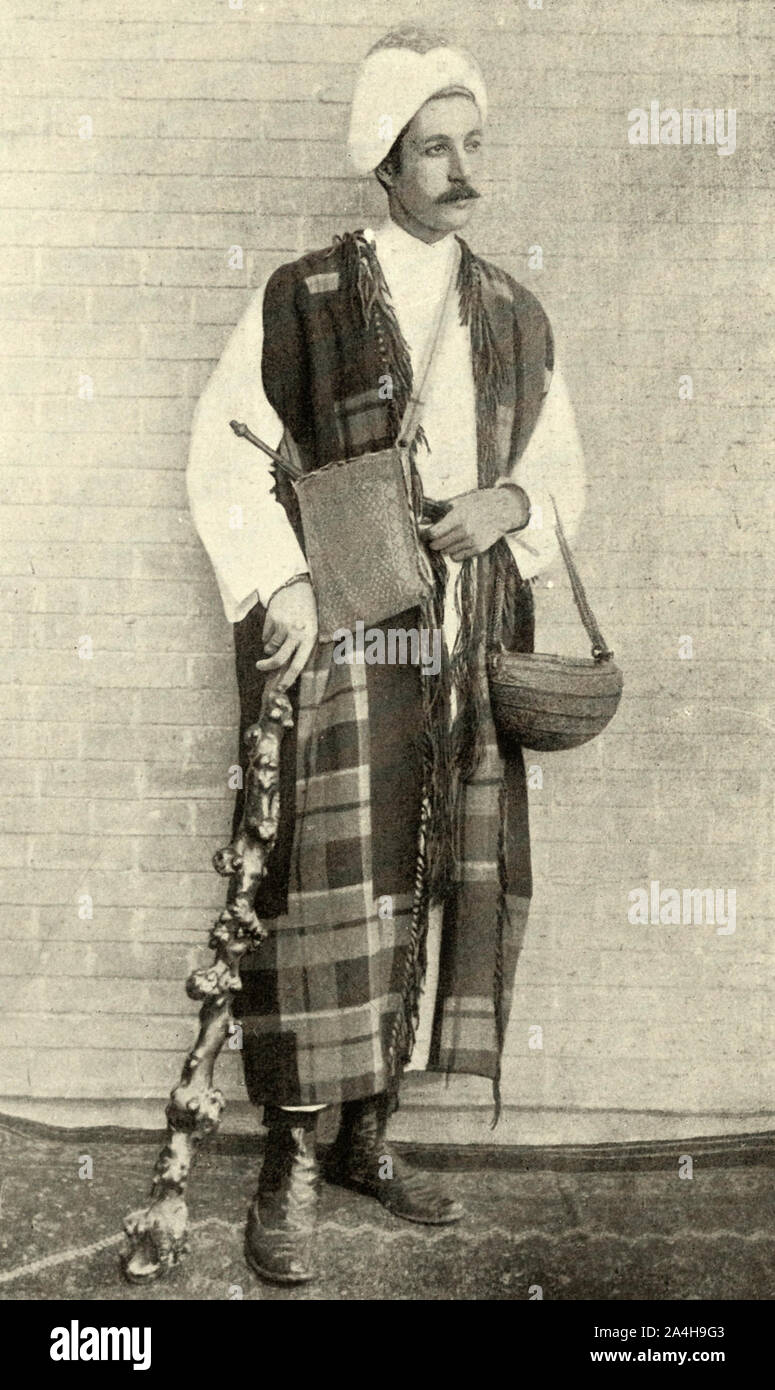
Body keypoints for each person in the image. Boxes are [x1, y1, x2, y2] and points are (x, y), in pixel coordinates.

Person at [187, 24, 585, 1285]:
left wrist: (507, 510)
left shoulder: (515, 311)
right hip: (352, 633)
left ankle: (370, 1136)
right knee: (328, 880)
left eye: (474, 145)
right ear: (384, 162)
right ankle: (291, 1157)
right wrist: (284, 579)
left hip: (467, 636)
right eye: (435, 149)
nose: (463, 169)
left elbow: (558, 465)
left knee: (435, 870)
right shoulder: (302, 295)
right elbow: (225, 449)